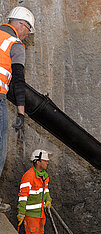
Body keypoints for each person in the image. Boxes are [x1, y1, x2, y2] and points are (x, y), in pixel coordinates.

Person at [0, 6, 35, 212]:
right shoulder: (15, 44)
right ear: (22, 25)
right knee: (0, 148)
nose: (26, 35)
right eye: (28, 31)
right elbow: (19, 81)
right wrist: (21, 113)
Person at [17, 149, 52, 234]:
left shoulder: (44, 176)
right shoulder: (29, 176)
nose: (47, 162)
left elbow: (45, 190)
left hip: (41, 213)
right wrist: (21, 212)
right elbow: (23, 196)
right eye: (45, 160)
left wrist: (48, 200)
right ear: (38, 162)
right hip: (31, 215)